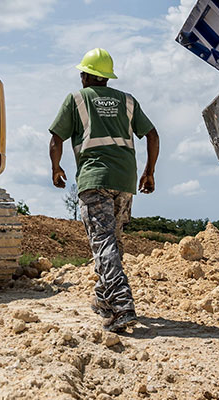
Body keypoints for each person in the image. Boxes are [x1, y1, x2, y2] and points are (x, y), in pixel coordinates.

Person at [49, 48, 159, 332]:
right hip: (124, 181)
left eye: (81, 73)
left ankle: (122, 306)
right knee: (114, 242)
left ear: (86, 75)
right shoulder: (128, 101)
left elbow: (56, 137)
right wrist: (149, 172)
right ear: (107, 77)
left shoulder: (76, 99)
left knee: (103, 243)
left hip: (94, 179)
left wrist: (56, 167)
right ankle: (103, 299)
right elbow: (152, 134)